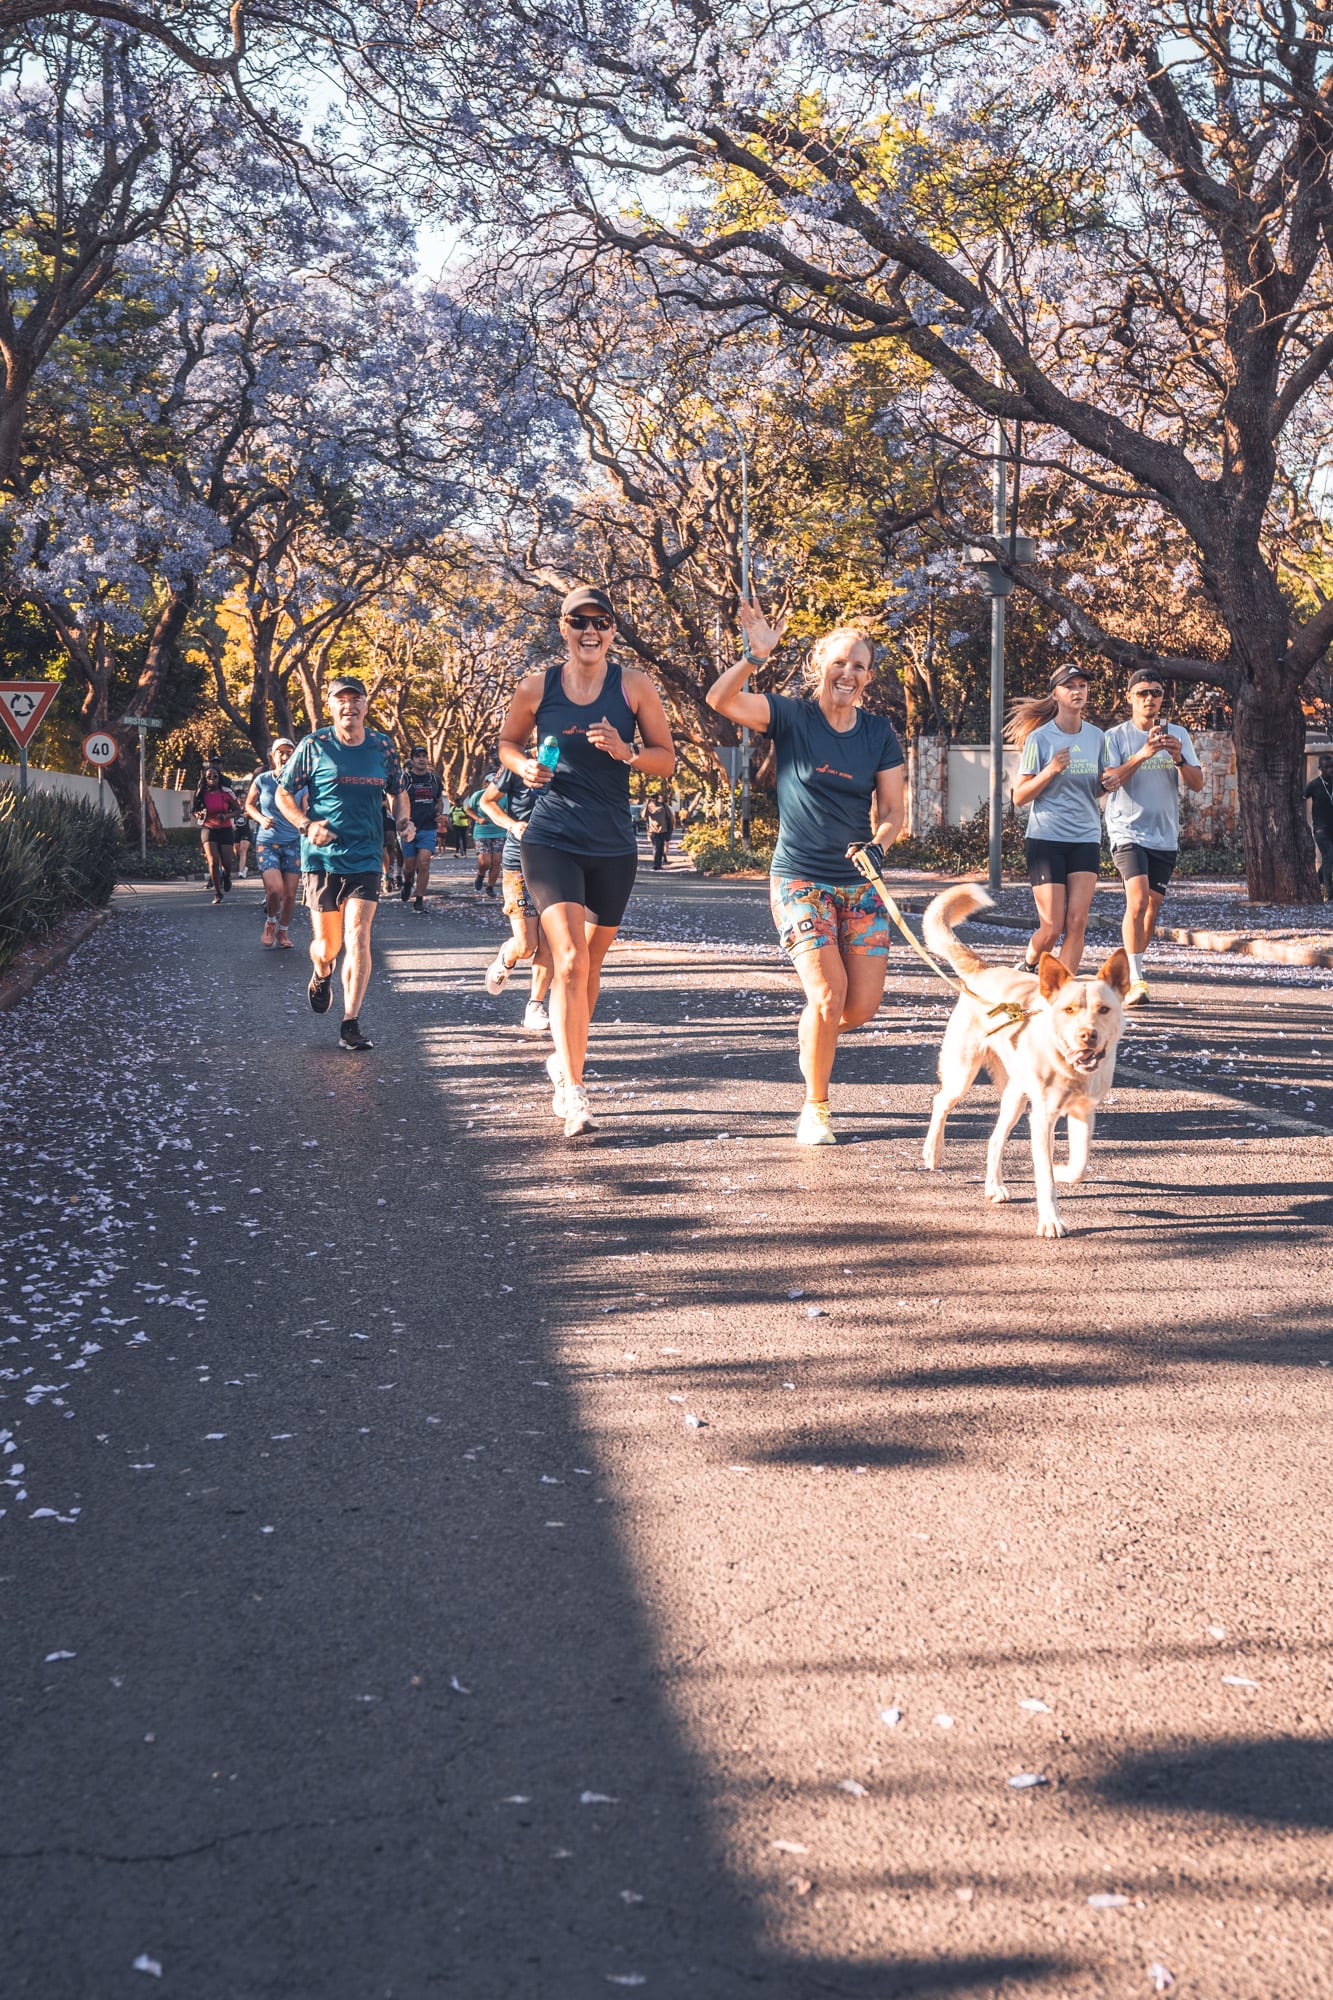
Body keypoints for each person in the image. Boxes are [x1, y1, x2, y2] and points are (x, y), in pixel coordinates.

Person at [707, 598, 904, 1144]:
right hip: (799, 878)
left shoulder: (879, 733)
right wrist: (753, 656)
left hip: (859, 882)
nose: (849, 672)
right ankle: (816, 1107)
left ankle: (814, 1032)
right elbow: (719, 699)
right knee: (827, 994)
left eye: (860, 665)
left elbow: (892, 813)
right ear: (820, 665)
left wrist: (878, 845)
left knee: (857, 1008)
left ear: (868, 676)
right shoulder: (791, 716)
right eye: (840, 661)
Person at [498, 583, 675, 1137]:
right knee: (569, 959)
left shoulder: (634, 687)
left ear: (613, 632)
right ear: (564, 628)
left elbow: (666, 761)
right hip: (550, 837)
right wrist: (523, 767)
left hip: (613, 844)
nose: (590, 631)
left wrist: (627, 753)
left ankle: (564, 1054)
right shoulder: (537, 687)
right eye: (579, 622)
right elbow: (506, 741)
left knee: (591, 965)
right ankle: (573, 1088)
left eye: (600, 622)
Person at [275, 676, 411, 1052]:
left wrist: (402, 821)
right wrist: (305, 825)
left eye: (356, 699)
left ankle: (350, 1022)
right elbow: (284, 792)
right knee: (327, 946)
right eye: (341, 700)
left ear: (366, 706)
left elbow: (398, 792)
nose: (349, 706)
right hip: (321, 858)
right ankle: (321, 974)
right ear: (330, 707)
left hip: (366, 856)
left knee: (358, 937)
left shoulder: (382, 746)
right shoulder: (314, 745)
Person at [1102, 671, 1205, 1006]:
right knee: (1137, 899)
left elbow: (1197, 783)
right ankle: (1137, 980)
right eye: (1143, 692)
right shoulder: (1115, 737)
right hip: (1127, 829)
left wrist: (1178, 758)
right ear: (1129, 696)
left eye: (1156, 693)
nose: (1150, 699)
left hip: (1164, 834)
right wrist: (1143, 754)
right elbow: (1109, 781)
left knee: (1151, 906)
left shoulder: (1178, 734)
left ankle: (1132, 972)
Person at [1008, 665, 1108, 975]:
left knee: (1077, 923)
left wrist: (1108, 783)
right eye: (1070, 686)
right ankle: (1029, 964)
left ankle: (1062, 994)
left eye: (1082, 685)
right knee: (1051, 927)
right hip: (1047, 838)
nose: (1078, 691)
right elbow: (1020, 797)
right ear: (1056, 694)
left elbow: (1096, 785)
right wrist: (1050, 770)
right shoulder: (1040, 739)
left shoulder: (1097, 737)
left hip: (1085, 838)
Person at [478, 766, 553, 1033]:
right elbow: (486, 801)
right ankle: (507, 958)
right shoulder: (518, 765)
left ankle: (535, 1004)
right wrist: (511, 824)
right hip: (518, 861)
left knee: (549, 940)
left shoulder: (575, 760)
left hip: (560, 862)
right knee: (526, 945)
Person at [245, 738, 303, 947]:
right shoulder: (262, 780)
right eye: (281, 752)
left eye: (290, 752)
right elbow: (249, 805)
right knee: (275, 889)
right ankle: (270, 923)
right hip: (267, 843)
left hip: (293, 843)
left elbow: (305, 810)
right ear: (273, 756)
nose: (285, 756)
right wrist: (261, 818)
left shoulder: (301, 783)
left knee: (289, 895)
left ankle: (283, 932)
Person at [398, 744, 446, 912]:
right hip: (409, 828)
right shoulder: (405, 779)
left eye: (424, 756)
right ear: (412, 760)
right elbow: (395, 799)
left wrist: (439, 813)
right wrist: (401, 819)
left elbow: (439, 800)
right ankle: (407, 882)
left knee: (424, 862)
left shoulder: (433, 779)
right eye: (418, 756)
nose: (421, 759)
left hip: (428, 827)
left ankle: (419, 899)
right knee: (409, 866)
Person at [192, 765, 241, 904]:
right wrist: (198, 814)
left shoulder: (226, 792)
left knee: (226, 863)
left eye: (215, 776)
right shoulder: (201, 793)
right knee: (213, 862)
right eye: (209, 777)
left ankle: (226, 876)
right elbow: (195, 810)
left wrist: (226, 816)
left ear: (219, 778)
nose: (212, 779)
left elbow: (238, 810)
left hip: (225, 829)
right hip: (208, 829)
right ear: (205, 779)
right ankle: (217, 893)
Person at [467, 775, 505, 897]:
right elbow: (468, 809)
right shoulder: (478, 795)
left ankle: (490, 887)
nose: (495, 784)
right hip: (482, 832)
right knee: (485, 861)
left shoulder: (505, 796)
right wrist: (478, 818)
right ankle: (481, 874)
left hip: (499, 831)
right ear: (487, 783)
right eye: (492, 782)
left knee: (496, 861)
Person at [1304, 751, 1333, 902]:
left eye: (1332, 767)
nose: (1331, 770)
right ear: (1320, 768)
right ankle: (1330, 894)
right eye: (1327, 767)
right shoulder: (1314, 785)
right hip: (1321, 830)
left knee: (1330, 859)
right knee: (1329, 856)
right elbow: (1301, 797)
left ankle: (1316, 883)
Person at [645, 793, 674, 870]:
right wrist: (646, 804)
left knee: (660, 848)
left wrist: (670, 829)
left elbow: (670, 816)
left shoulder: (663, 806)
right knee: (656, 847)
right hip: (653, 830)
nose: (654, 799)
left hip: (663, 830)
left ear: (658, 798)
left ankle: (659, 864)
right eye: (652, 798)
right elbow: (643, 816)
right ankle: (656, 864)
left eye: (655, 797)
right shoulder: (649, 806)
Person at [382, 803, 403, 897]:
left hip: (392, 814)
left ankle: (396, 873)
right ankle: (386, 875)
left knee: (393, 845)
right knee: (383, 846)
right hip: (377, 813)